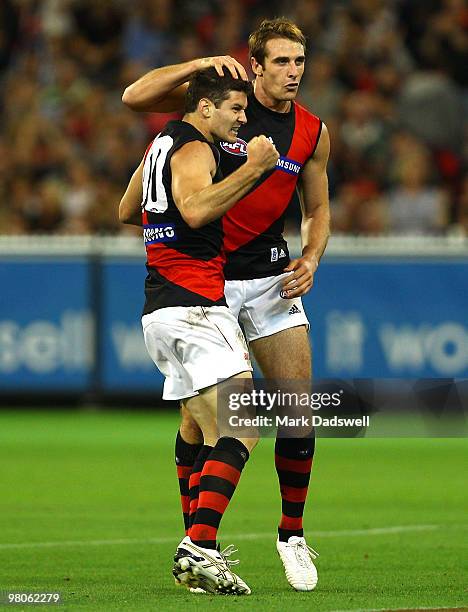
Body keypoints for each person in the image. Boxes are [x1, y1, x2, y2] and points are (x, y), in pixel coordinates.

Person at [122, 17, 330, 592]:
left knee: (295, 405)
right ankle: (199, 542)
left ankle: (290, 535)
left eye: (300, 62)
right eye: (283, 62)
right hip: (207, 284)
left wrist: (311, 256)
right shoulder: (219, 102)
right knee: (207, 421)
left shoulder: (312, 132)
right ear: (254, 65)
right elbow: (135, 97)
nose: (294, 73)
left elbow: (317, 208)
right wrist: (196, 64)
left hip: (266, 279)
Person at [119, 66, 279, 595]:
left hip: (160, 308)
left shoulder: (160, 143)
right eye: (235, 108)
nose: (242, 117)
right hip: (195, 306)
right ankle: (199, 547)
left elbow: (127, 209)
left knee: (206, 431)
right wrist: (253, 169)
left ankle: (198, 553)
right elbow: (193, 210)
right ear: (204, 107)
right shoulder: (195, 147)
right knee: (243, 428)